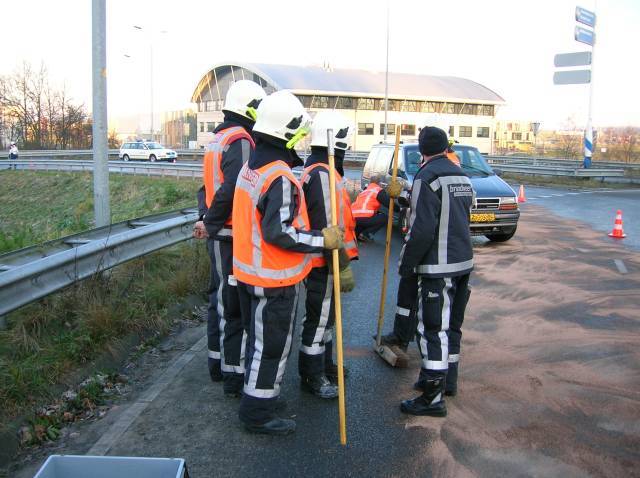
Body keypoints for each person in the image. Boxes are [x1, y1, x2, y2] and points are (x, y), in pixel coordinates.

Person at [231, 90, 343, 435]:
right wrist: (321, 240)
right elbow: (279, 232)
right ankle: (258, 413)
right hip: (272, 280)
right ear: (287, 132)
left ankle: (261, 398)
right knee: (272, 348)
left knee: (258, 342)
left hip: (248, 274)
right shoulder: (278, 176)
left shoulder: (253, 166)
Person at [193, 80, 266, 394]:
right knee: (231, 306)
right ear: (249, 108)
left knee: (219, 301)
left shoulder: (218, 138)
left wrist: (205, 218)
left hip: (218, 231)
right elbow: (232, 187)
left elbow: (206, 187)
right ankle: (232, 374)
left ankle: (218, 363)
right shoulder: (240, 139)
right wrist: (211, 222)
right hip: (229, 234)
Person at [398, 126, 474, 417]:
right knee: (451, 327)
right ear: (446, 146)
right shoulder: (461, 175)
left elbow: (421, 229)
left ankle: (432, 398)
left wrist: (406, 264)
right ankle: (446, 381)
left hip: (437, 267)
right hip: (463, 261)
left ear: (421, 150)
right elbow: (456, 213)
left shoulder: (426, 176)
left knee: (432, 330)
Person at [298, 111, 358, 398]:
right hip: (324, 261)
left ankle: (325, 364)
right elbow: (326, 227)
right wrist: (342, 264)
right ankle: (312, 375)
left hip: (329, 258)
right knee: (318, 319)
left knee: (327, 318)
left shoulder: (324, 170)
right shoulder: (321, 174)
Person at [351, 177, 401, 242]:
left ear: (370, 182)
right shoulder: (378, 190)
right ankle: (365, 234)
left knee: (359, 230)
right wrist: (399, 209)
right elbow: (388, 203)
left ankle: (359, 235)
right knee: (385, 218)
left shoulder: (364, 191)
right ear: (379, 183)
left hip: (353, 218)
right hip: (364, 217)